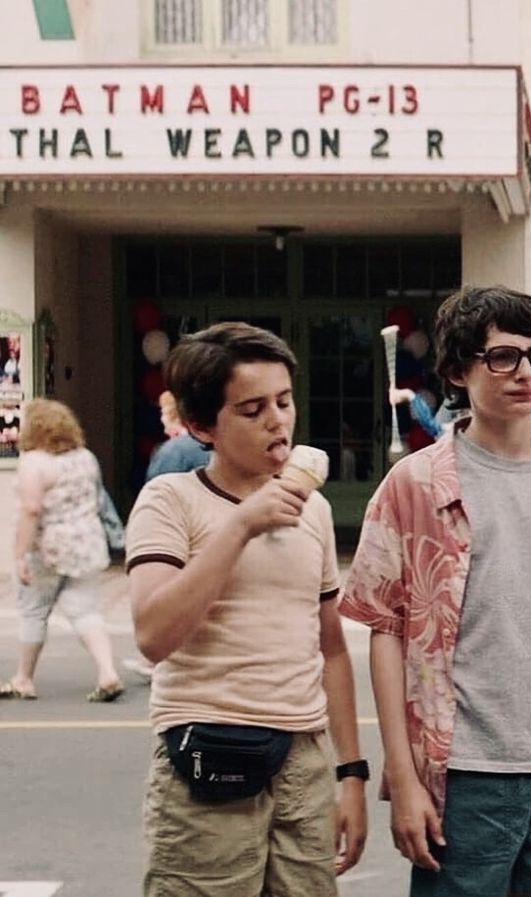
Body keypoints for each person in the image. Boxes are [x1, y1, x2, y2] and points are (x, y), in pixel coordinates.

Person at [340, 286, 531, 897]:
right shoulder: (415, 485)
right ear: (458, 370)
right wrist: (404, 775)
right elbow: (386, 633)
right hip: (464, 770)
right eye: (503, 357)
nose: (527, 373)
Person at [125, 321, 368, 897]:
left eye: (284, 402)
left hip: (303, 758)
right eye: (252, 409)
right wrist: (240, 525)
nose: (278, 420)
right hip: (208, 754)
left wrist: (351, 773)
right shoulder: (170, 500)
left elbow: (330, 646)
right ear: (202, 425)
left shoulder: (311, 509)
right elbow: (154, 634)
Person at [0, 398, 124, 702]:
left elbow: (31, 509)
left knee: (33, 611)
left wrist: (19, 554)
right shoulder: (85, 458)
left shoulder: (34, 462)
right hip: (86, 545)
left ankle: (24, 678)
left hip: (48, 550)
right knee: (85, 610)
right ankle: (108, 672)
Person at [123, 390, 207, 681]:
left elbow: (156, 495)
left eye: (164, 412)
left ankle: (160, 659)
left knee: (170, 597)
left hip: (181, 536)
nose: (160, 417)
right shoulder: (215, 447)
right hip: (207, 534)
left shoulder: (174, 452)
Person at [144, 389, 207, 481]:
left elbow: (158, 490)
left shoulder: (174, 450)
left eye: (162, 412)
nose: (161, 418)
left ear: (170, 413)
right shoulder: (216, 444)